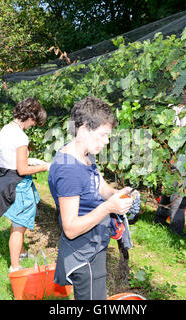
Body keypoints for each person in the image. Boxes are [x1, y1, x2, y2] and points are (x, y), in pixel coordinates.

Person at [48, 96, 134, 300]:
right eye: (103, 135)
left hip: (94, 245)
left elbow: (100, 186)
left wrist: (116, 195)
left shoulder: (85, 155)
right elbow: (70, 228)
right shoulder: (68, 170)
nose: (107, 141)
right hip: (82, 254)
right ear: (84, 128)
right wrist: (108, 208)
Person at [0, 98, 49, 273]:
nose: (33, 125)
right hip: (18, 184)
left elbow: (12, 159)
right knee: (19, 226)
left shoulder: (6, 129)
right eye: (34, 121)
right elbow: (23, 169)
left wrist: (33, 160)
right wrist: (45, 166)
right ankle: (15, 267)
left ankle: (22, 252)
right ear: (29, 116)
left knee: (17, 220)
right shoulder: (21, 136)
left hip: (5, 177)